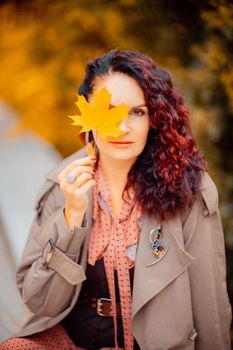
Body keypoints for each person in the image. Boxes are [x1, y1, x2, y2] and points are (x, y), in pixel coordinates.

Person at [1, 49, 232, 350]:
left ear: (155, 118)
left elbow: (209, 299)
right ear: (87, 114)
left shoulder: (188, 188)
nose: (121, 127)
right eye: (108, 110)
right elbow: (40, 300)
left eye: (137, 112)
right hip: (76, 340)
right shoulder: (63, 184)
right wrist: (71, 218)